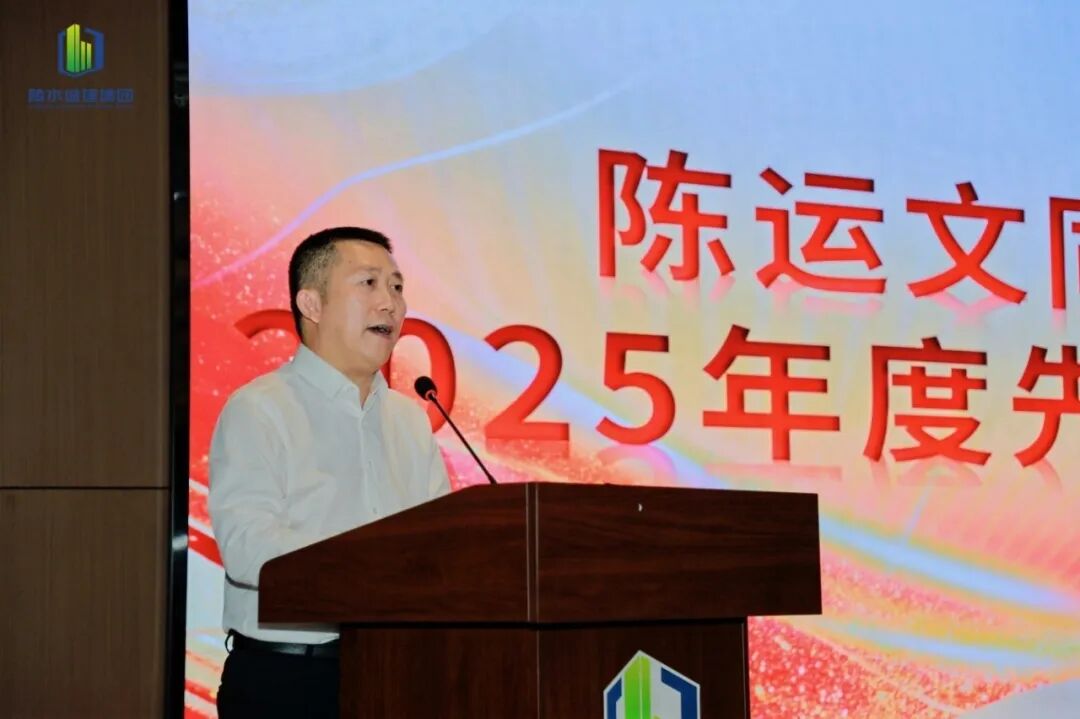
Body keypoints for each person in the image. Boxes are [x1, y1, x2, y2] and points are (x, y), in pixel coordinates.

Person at [208, 226, 451, 718]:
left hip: (396, 672)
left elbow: (443, 545)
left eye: (397, 287)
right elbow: (249, 548)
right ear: (312, 304)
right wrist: (372, 571)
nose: (391, 304)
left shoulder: (409, 420)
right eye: (369, 283)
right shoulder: (259, 408)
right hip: (288, 681)